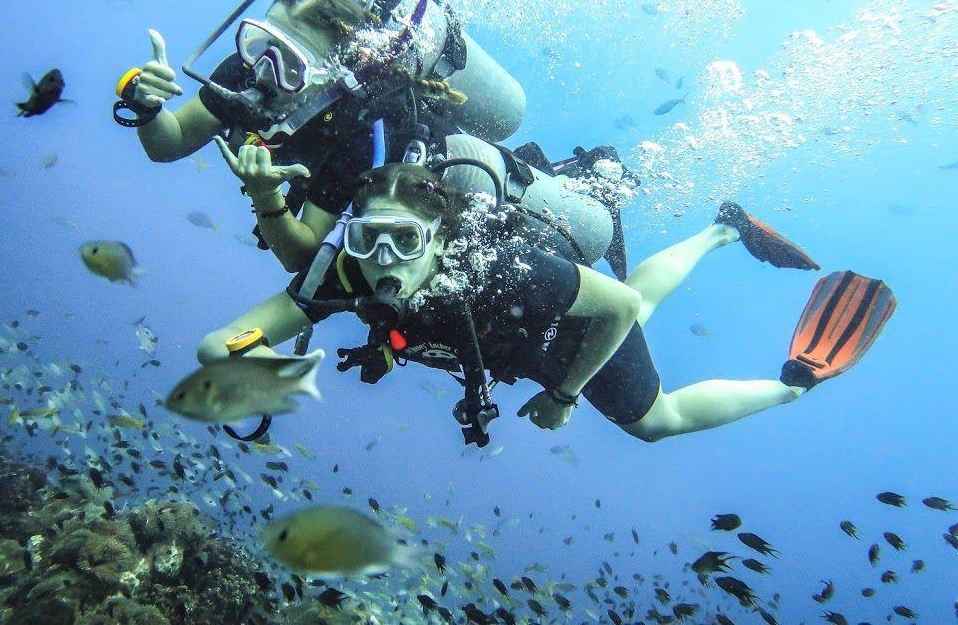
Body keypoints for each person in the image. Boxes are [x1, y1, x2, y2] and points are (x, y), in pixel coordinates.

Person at [195, 162, 896, 442]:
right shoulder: (346, 272)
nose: (383, 263)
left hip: (568, 340)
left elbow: (614, 306)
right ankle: (721, 227)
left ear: (438, 236)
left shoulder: (507, 267)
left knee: (655, 419)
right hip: (536, 334)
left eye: (403, 240)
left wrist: (563, 393)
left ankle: (790, 387)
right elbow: (225, 338)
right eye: (368, 241)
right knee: (639, 305)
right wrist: (256, 372)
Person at [116, 0, 525, 273]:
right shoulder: (246, 71)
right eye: (260, 43)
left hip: (448, 176)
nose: (263, 71)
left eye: (290, 63)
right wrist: (146, 105)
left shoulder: (358, 129)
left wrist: (265, 195)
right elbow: (171, 143)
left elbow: (302, 254)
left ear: (331, 76)